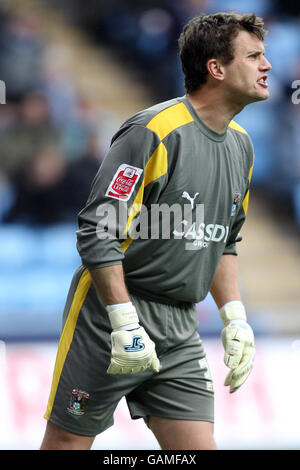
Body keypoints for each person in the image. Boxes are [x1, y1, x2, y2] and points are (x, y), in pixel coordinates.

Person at [40, 12, 272, 450]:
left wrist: (234, 318)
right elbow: (98, 228)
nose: (268, 66)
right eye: (255, 55)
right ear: (216, 68)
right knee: (67, 442)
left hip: (181, 325)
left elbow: (224, 238)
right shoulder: (153, 130)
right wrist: (123, 321)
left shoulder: (242, 145)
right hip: (110, 315)